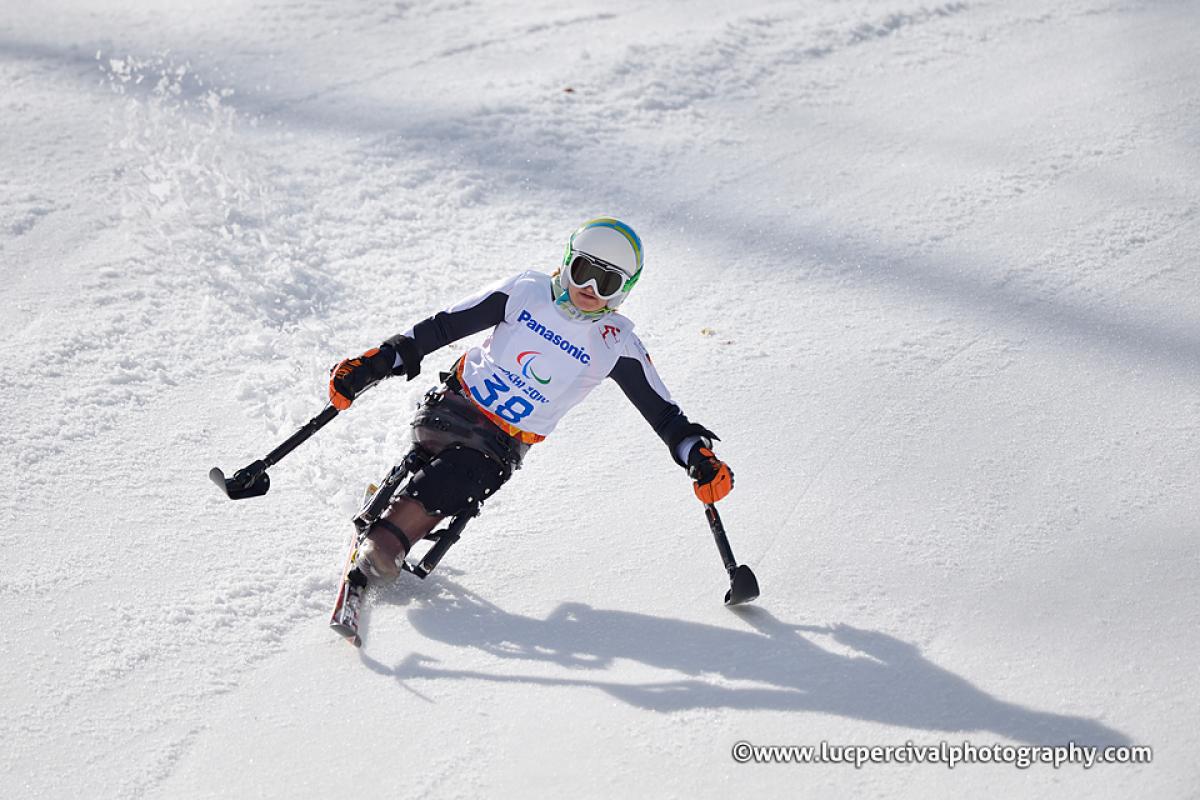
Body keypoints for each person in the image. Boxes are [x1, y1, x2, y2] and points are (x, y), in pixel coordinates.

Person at [328, 217, 734, 583]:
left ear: (623, 290)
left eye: (606, 282)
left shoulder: (616, 344)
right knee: (447, 467)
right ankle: (385, 544)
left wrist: (698, 456)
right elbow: (443, 327)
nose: (589, 289)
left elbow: (665, 417)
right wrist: (375, 363)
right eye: (583, 271)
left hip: (497, 447)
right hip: (450, 407)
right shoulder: (527, 292)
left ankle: (389, 537)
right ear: (568, 262)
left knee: (461, 478)